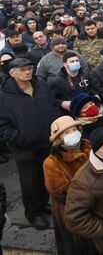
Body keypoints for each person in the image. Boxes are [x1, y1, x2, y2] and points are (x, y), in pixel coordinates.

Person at [0, 58, 61, 229]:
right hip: (24, 147)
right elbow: (2, 125)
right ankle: (33, 213)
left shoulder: (40, 85)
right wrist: (20, 137)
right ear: (12, 74)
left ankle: (42, 204)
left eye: (29, 69)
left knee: (45, 176)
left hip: (45, 141)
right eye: (23, 70)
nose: (27, 72)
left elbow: (54, 105)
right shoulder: (3, 95)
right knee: (30, 182)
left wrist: (54, 126)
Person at [43, 116, 97, 255]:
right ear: (59, 138)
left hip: (97, 203)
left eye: (74, 130)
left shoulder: (88, 146)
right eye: (67, 132)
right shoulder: (52, 162)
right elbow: (60, 192)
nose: (72, 134)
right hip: (72, 209)